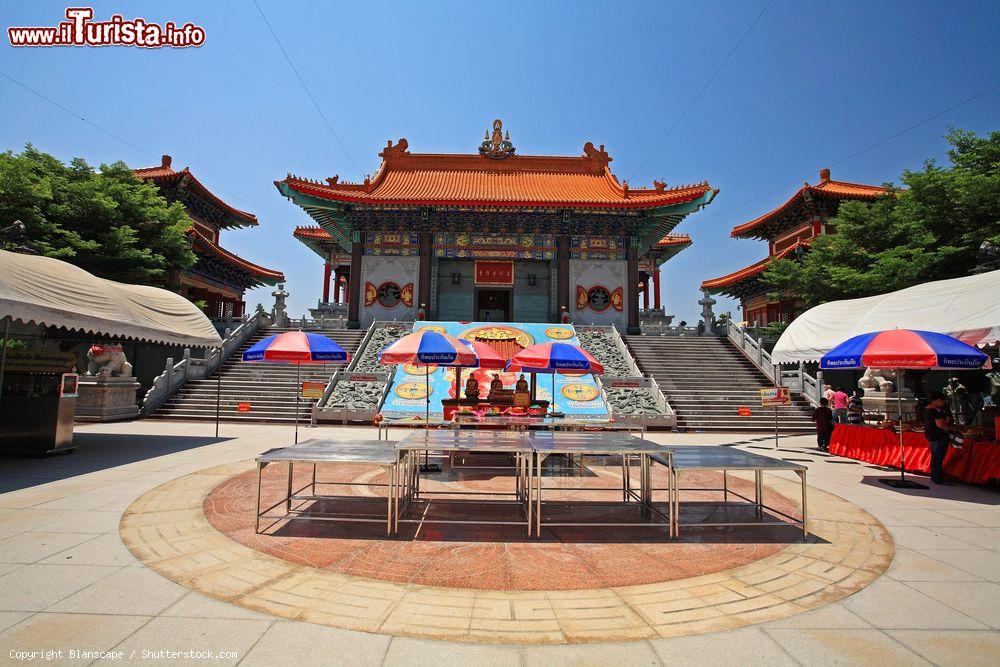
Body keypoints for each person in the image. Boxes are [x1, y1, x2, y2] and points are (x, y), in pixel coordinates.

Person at [922, 390, 952, 485]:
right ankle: (937, 478)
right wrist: (950, 428)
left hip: (931, 434)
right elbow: (940, 425)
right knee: (938, 457)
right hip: (938, 435)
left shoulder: (926, 409)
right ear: (938, 400)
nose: (943, 404)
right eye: (942, 401)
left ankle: (935, 476)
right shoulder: (934, 411)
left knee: (935, 457)